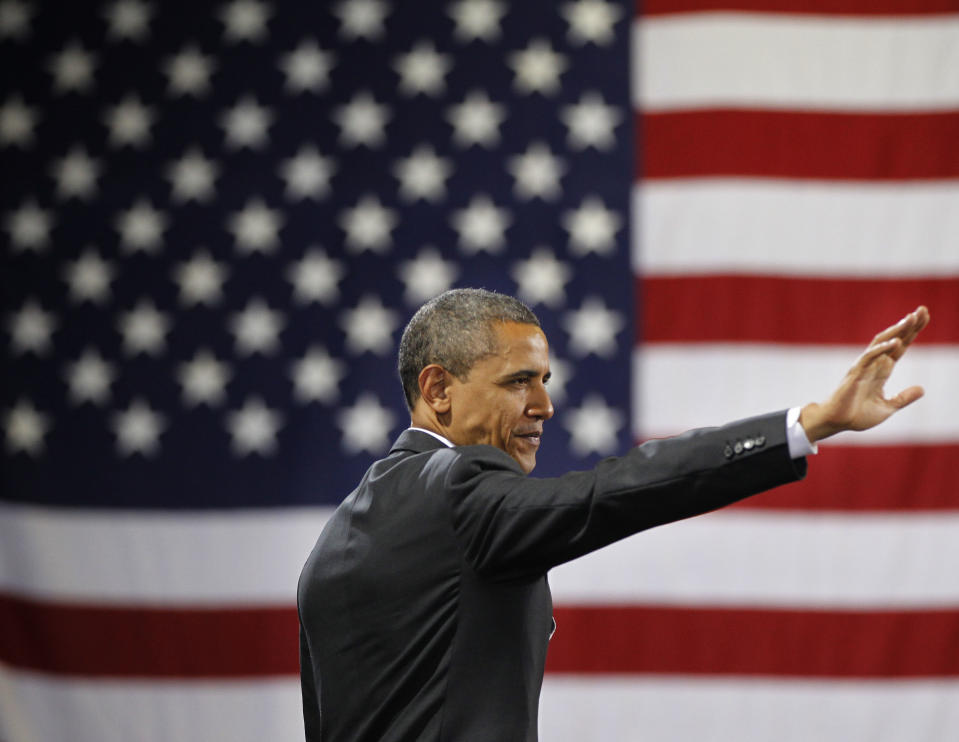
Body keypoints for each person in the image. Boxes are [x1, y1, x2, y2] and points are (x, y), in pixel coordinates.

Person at [298, 288, 929, 742]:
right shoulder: (457, 485)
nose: (545, 405)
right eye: (520, 381)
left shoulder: (332, 543)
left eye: (545, 380)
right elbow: (615, 491)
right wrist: (808, 424)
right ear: (438, 390)